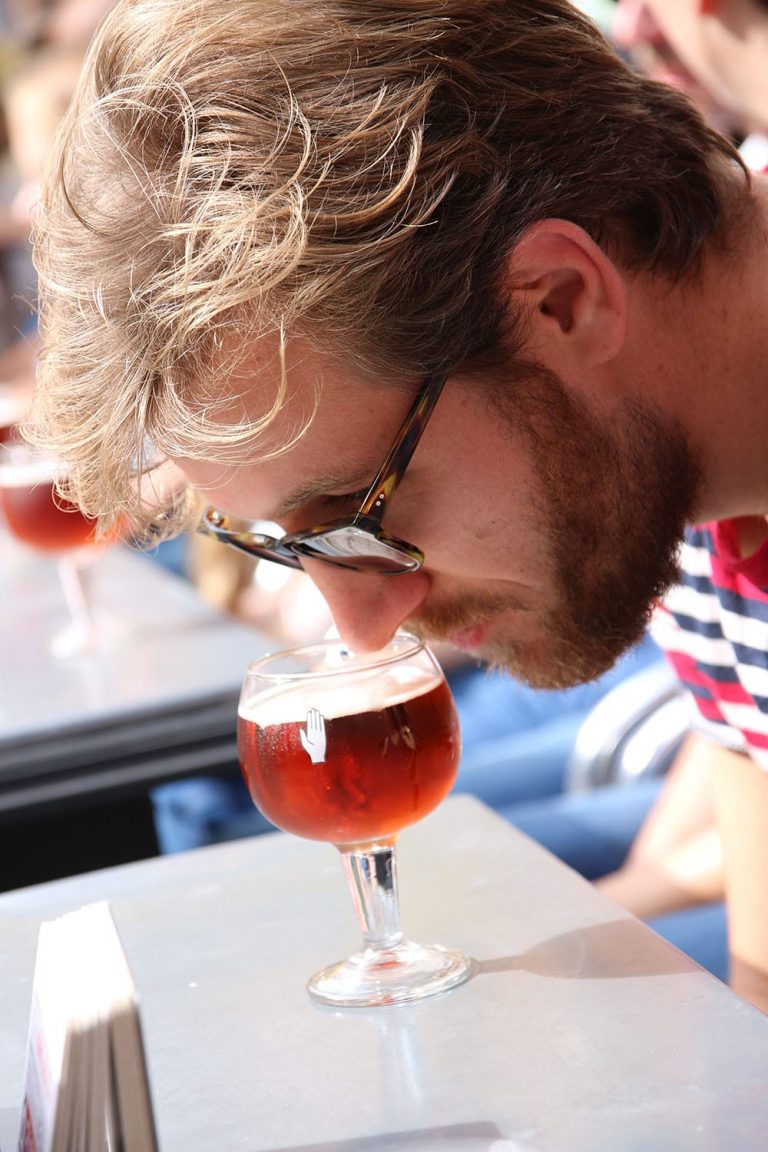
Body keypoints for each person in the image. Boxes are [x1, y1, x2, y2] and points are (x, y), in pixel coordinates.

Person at [28, 0, 768, 1013]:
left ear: (560, 297)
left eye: (358, 511)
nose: (361, 626)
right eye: (294, 546)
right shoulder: (670, 465)